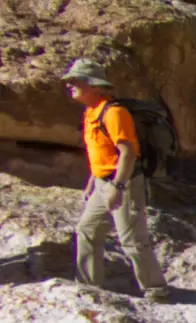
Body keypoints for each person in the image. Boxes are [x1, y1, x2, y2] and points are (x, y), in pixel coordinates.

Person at [63, 59, 169, 301]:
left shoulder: (114, 113)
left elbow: (128, 153)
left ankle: (156, 291)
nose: (70, 85)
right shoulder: (92, 112)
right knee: (87, 230)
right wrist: (93, 180)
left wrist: (118, 186)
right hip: (103, 182)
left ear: (94, 85)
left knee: (132, 239)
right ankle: (89, 287)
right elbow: (102, 152)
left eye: (75, 80)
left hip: (124, 182)